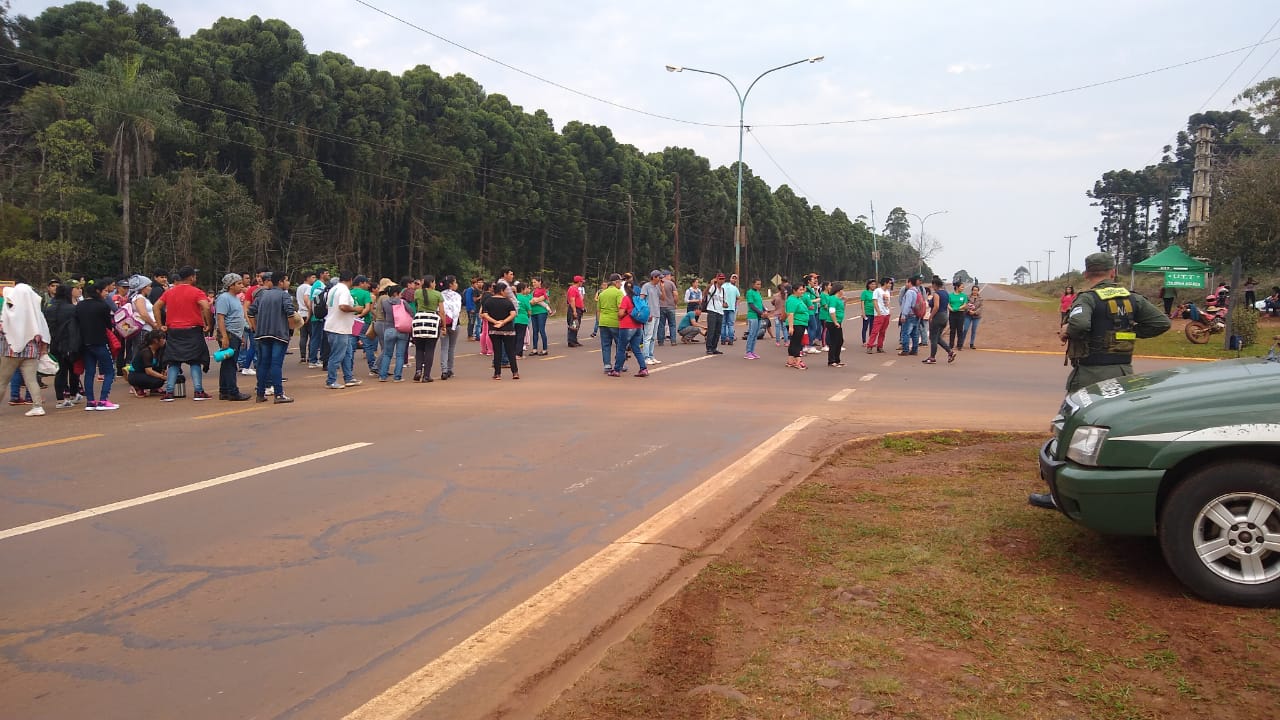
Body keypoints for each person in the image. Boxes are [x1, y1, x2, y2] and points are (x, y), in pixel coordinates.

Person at [1059, 252, 1171, 395]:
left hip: (1090, 376)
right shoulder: (1133, 298)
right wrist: (1127, 333)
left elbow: (1079, 325)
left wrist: (1067, 330)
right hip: (1123, 374)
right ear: (1113, 272)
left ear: (1086, 274)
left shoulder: (1087, 299)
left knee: (1075, 415)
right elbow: (1162, 323)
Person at [152, 267, 213, 402]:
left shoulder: (170, 292)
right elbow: (206, 306)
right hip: (193, 329)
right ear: (191, 277)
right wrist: (208, 324)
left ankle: (169, 392)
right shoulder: (197, 292)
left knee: (173, 361)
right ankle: (198, 391)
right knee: (195, 360)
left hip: (174, 330)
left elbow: (155, 306)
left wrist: (159, 324)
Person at [1, 283, 51, 416]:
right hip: (31, 351)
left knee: (2, 381)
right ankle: (37, 406)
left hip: (10, 351)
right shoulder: (35, 312)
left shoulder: (10, 311)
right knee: (31, 380)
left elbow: (3, 328)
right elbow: (44, 330)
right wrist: (44, 348)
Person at [247, 271, 296, 403]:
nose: (288, 283)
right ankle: (279, 394)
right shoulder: (284, 296)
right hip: (279, 334)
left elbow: (250, 312)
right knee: (276, 364)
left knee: (263, 364)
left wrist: (255, 327)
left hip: (262, 334)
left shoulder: (262, 295)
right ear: (280, 282)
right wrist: (291, 330)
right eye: (286, 280)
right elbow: (290, 313)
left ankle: (260, 393)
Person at [74, 279, 120, 410]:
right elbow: (108, 325)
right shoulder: (102, 306)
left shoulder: (80, 305)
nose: (107, 293)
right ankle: (103, 400)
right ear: (98, 291)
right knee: (109, 371)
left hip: (84, 342)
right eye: (105, 291)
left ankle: (90, 401)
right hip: (99, 341)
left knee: (89, 372)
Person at [44, 283, 84, 408]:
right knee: (73, 369)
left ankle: (60, 399)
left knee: (60, 371)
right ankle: (74, 394)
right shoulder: (72, 308)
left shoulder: (48, 307)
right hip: (69, 342)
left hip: (54, 342)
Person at [214, 273, 252, 401]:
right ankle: (232, 391)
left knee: (227, 363)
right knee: (230, 364)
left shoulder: (235, 297)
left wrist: (241, 335)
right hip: (228, 334)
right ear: (230, 285)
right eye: (239, 283)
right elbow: (220, 318)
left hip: (235, 334)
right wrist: (224, 336)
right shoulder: (224, 298)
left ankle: (224, 390)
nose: (241, 286)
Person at [323, 270, 362, 389]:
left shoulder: (333, 289)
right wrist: (356, 309)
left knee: (347, 353)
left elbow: (328, 306)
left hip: (336, 325)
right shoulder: (344, 290)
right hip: (339, 328)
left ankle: (348, 377)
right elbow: (343, 306)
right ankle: (331, 380)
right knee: (337, 355)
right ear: (350, 280)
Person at [481, 280, 519, 380]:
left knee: (497, 351)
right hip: (508, 330)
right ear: (501, 290)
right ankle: (515, 372)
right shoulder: (507, 301)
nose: (507, 292)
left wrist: (495, 322)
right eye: (506, 290)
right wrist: (503, 322)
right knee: (510, 351)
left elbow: (484, 314)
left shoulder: (488, 301)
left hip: (494, 330)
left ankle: (497, 374)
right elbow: (513, 314)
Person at [613, 280, 649, 377]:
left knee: (621, 348)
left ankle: (616, 370)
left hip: (626, 326)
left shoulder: (626, 299)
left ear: (624, 288)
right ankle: (643, 368)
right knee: (636, 348)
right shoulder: (638, 299)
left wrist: (620, 315)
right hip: (638, 326)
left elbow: (621, 313)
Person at [413, 274, 443, 382]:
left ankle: (418, 370)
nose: (435, 284)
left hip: (419, 320)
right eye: (434, 282)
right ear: (431, 283)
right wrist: (443, 325)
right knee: (430, 349)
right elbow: (442, 312)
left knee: (419, 348)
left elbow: (415, 305)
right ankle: (426, 375)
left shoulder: (417, 292)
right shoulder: (437, 294)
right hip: (432, 321)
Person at [922, 276, 956, 365]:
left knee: (933, 338)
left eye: (932, 285)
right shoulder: (945, 293)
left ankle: (932, 357)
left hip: (938, 316)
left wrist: (931, 316)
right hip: (945, 315)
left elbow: (936, 306)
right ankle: (950, 352)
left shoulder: (937, 294)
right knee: (938, 337)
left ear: (934, 285)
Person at [127, 329, 168, 396]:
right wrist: (162, 376)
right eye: (163, 338)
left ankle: (154, 388)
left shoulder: (160, 350)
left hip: (145, 372)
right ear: (155, 340)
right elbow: (148, 371)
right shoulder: (146, 351)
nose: (164, 340)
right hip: (136, 374)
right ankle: (137, 387)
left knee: (160, 380)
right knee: (158, 380)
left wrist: (164, 371)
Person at [438, 276, 462, 379]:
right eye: (455, 282)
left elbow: (439, 310)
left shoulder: (440, 295)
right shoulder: (457, 296)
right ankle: (449, 369)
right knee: (451, 348)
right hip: (454, 324)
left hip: (443, 323)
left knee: (444, 348)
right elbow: (457, 310)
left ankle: (443, 370)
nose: (457, 284)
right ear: (451, 284)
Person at [785, 282, 810, 370]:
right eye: (800, 290)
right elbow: (790, 314)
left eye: (803, 289)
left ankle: (790, 360)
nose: (802, 291)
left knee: (794, 342)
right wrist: (791, 327)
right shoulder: (792, 300)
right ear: (794, 291)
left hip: (801, 323)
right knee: (797, 343)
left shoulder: (798, 298)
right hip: (796, 323)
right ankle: (798, 361)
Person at [897, 275, 925, 356]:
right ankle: (914, 350)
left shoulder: (909, 292)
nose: (906, 284)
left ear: (909, 282)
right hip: (916, 315)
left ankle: (905, 350)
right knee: (915, 334)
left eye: (907, 282)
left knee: (905, 333)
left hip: (909, 315)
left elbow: (907, 304)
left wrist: (903, 315)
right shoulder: (917, 291)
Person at [294, 269, 316, 365]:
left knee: (303, 336)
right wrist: (310, 312)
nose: (314, 279)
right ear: (308, 278)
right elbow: (307, 300)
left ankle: (303, 356)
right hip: (307, 313)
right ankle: (311, 356)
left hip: (300, 313)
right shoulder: (309, 287)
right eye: (313, 277)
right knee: (312, 336)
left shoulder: (299, 288)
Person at [823, 282, 847, 367]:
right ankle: (832, 360)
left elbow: (841, 309)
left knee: (839, 341)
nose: (843, 291)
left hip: (838, 321)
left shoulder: (838, 299)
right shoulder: (833, 299)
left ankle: (837, 359)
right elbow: (831, 311)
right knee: (834, 341)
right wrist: (835, 322)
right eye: (842, 290)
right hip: (832, 322)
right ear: (839, 290)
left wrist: (844, 301)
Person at [703, 273, 727, 355]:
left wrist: (725, 304)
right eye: (720, 278)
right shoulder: (713, 287)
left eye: (723, 279)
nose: (721, 280)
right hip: (712, 311)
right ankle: (709, 348)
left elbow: (723, 301)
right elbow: (705, 293)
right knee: (711, 330)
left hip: (720, 312)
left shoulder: (723, 290)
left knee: (718, 331)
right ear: (717, 279)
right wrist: (710, 284)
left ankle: (714, 347)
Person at [642, 271, 663, 364]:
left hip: (657, 313)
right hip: (650, 314)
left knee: (653, 337)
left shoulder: (657, 287)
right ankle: (646, 357)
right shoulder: (646, 286)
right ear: (654, 277)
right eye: (659, 277)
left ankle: (651, 355)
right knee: (648, 336)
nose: (660, 279)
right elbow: (642, 299)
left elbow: (663, 298)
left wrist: (662, 288)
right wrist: (647, 312)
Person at [866, 277, 891, 354]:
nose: (890, 285)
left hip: (886, 314)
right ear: (885, 283)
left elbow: (888, 302)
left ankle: (880, 347)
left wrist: (889, 311)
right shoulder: (877, 291)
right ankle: (869, 346)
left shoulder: (887, 292)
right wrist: (878, 312)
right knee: (875, 331)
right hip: (879, 314)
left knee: (883, 332)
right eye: (889, 283)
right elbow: (875, 301)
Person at [744, 278, 766, 360]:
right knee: (752, 334)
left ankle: (752, 351)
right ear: (753, 284)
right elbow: (751, 305)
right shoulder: (750, 292)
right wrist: (760, 312)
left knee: (756, 334)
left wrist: (764, 310)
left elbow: (760, 304)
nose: (759, 286)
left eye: (760, 284)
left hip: (759, 316)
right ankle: (748, 352)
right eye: (757, 284)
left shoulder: (758, 293)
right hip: (753, 315)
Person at [529, 277, 550, 355]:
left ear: (539, 282)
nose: (533, 284)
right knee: (535, 331)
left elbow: (539, 299)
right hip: (534, 312)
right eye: (532, 282)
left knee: (541, 330)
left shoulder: (545, 290)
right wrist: (534, 300)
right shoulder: (533, 291)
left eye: (535, 282)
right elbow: (530, 301)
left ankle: (545, 349)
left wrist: (535, 300)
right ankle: (534, 349)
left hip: (541, 312)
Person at [658, 270, 678, 346]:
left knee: (661, 324)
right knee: (672, 324)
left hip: (661, 306)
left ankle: (660, 341)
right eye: (670, 275)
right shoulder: (671, 283)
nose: (671, 277)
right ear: (667, 275)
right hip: (670, 306)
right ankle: (673, 341)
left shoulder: (658, 284)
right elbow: (675, 295)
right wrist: (675, 303)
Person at [565, 275, 586, 347]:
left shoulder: (576, 289)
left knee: (576, 324)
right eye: (581, 282)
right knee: (573, 324)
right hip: (575, 308)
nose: (582, 283)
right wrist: (574, 311)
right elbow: (572, 300)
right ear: (578, 282)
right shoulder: (573, 289)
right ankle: (571, 341)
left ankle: (574, 340)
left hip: (578, 308)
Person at [948, 280, 968, 350]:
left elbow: (965, 304)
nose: (963, 288)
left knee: (960, 330)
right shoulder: (950, 295)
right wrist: (951, 308)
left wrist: (957, 308)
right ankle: (951, 345)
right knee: (952, 330)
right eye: (961, 287)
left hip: (960, 313)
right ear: (957, 287)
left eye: (963, 287)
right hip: (952, 314)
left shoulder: (964, 296)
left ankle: (959, 345)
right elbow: (948, 304)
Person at [720, 273, 740, 345]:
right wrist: (736, 307)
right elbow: (738, 298)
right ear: (730, 278)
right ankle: (730, 339)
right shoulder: (735, 288)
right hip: (730, 308)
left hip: (723, 308)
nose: (734, 280)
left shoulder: (723, 286)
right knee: (730, 324)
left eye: (735, 278)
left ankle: (723, 339)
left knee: (723, 324)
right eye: (733, 278)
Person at [962, 285, 984, 349]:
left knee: (974, 330)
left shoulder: (980, 299)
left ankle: (972, 343)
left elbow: (981, 307)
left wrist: (974, 312)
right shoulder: (967, 297)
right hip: (968, 315)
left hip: (976, 316)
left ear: (978, 291)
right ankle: (961, 342)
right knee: (965, 329)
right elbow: (965, 305)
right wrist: (969, 310)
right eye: (974, 290)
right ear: (972, 290)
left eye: (976, 290)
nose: (975, 291)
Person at [464, 276, 483, 341]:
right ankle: (469, 335)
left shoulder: (473, 290)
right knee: (471, 322)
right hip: (471, 308)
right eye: (476, 284)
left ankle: (471, 335)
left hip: (473, 308)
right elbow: (468, 299)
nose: (477, 285)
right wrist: (471, 308)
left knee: (473, 322)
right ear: (473, 284)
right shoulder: (470, 290)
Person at [859, 280, 877, 345]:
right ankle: (864, 341)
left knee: (872, 328)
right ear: (869, 285)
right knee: (865, 327)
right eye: (872, 284)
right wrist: (863, 312)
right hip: (867, 312)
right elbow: (862, 302)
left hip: (874, 313)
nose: (873, 286)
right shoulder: (865, 292)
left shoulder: (876, 292)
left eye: (874, 284)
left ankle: (871, 341)